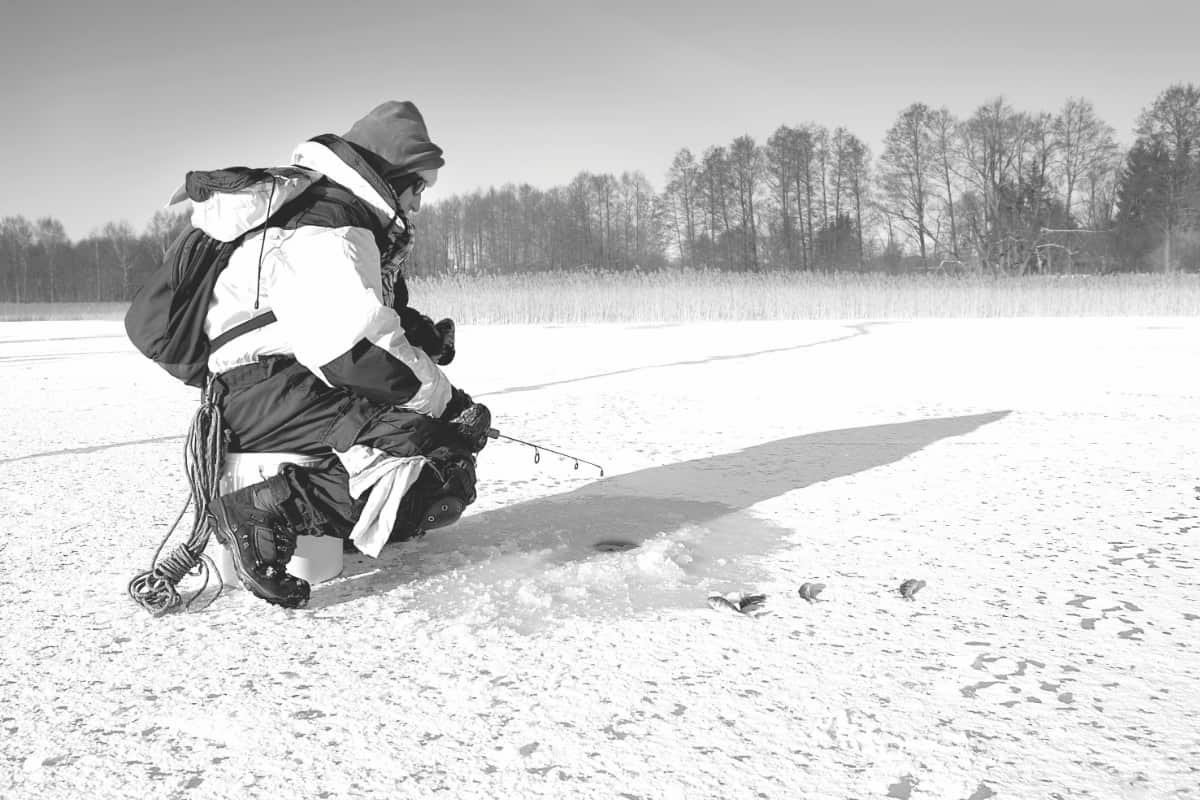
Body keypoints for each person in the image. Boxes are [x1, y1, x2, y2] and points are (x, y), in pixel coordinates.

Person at [197, 101, 490, 608]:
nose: (419, 202)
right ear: (389, 174)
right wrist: (449, 403)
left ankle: (326, 519)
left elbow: (362, 312)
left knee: (432, 448)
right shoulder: (330, 226)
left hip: (275, 386)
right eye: (419, 185)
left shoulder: (334, 219)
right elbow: (354, 351)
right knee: (440, 461)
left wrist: (426, 339)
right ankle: (265, 510)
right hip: (273, 391)